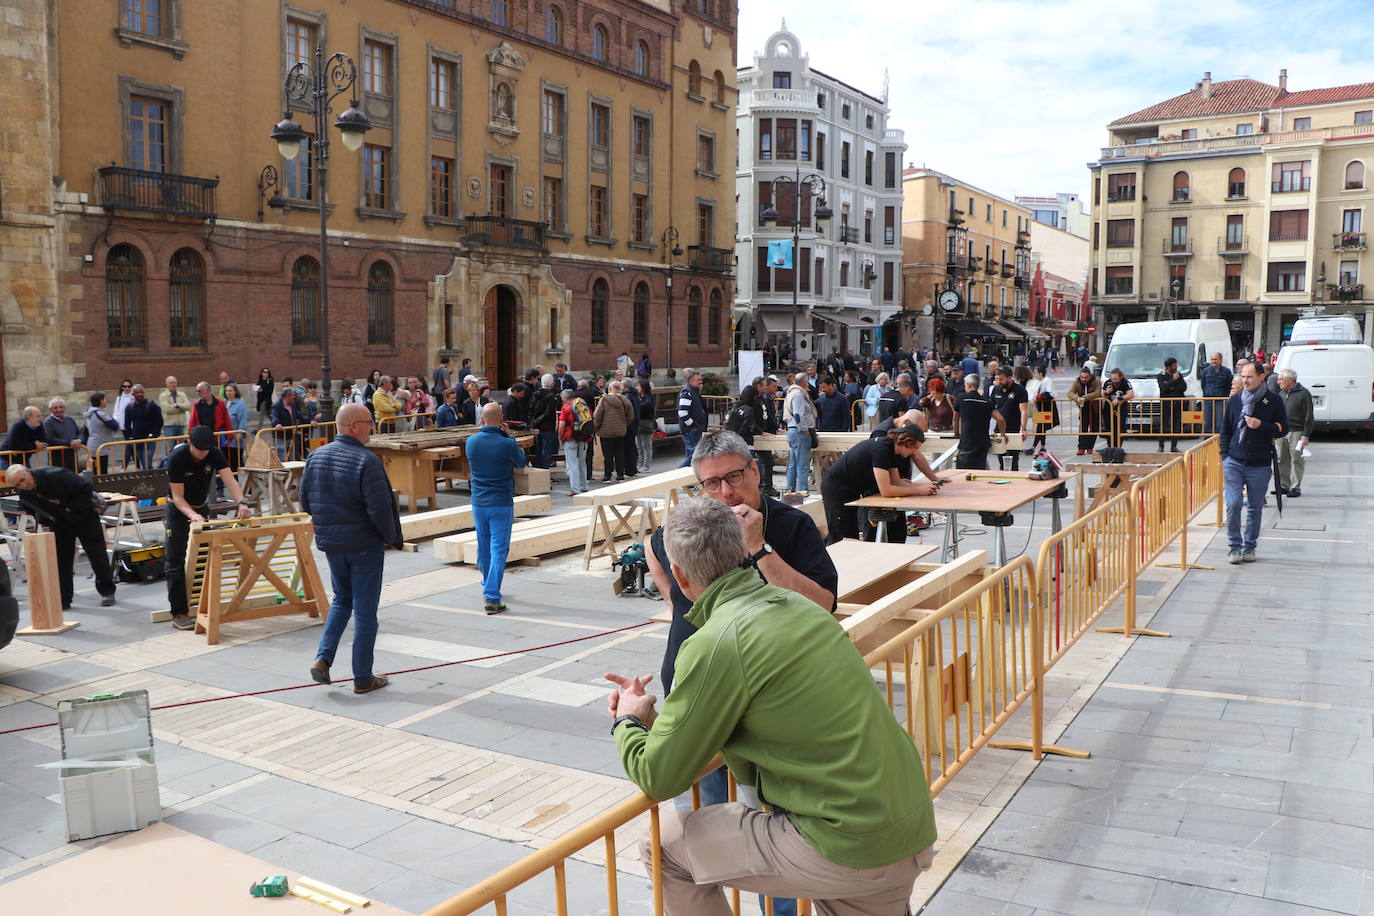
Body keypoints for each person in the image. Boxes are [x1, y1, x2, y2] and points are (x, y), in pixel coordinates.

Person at [610, 496, 935, 916]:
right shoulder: (799, 606)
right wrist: (659, 723)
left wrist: (628, 721)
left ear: (678, 575)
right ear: (742, 550)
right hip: (905, 826)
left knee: (663, 846)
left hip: (845, 842)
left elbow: (658, 777)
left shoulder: (716, 642)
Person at [644, 430, 838, 916]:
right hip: (699, 695)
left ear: (755, 470)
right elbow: (654, 547)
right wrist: (678, 602)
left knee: (770, 832)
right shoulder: (690, 525)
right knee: (700, 827)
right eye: (711, 483)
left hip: (767, 711)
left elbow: (822, 605)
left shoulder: (790, 525)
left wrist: (759, 548)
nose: (725, 493)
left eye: (733, 477)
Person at [299, 403, 400, 693]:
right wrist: (391, 537)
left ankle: (323, 658)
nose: (373, 428)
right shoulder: (366, 461)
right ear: (353, 426)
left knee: (342, 600)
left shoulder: (316, 457)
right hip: (363, 545)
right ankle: (363, 677)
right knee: (365, 612)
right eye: (369, 422)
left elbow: (305, 501)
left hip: (333, 544)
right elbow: (380, 508)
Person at [164, 426, 254, 630]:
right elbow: (177, 497)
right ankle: (179, 612)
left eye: (206, 450)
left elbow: (230, 480)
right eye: (199, 450)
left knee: (204, 557)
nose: (203, 454)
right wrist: (192, 515)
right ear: (189, 442)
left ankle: (201, 604)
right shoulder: (177, 457)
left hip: (201, 507)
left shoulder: (214, 453)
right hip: (178, 510)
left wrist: (242, 502)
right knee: (175, 560)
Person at [5, 464, 118, 609]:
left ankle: (107, 591)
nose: (23, 485)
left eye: (22, 480)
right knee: (62, 561)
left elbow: (85, 487)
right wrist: (48, 520)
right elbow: (33, 509)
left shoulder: (55, 474)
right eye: (17, 485)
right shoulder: (25, 493)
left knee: (97, 554)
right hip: (59, 522)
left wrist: (70, 508)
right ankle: (64, 599)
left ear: (27, 472)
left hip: (84, 516)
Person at [822, 425, 940, 544]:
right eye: (915, 448)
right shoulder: (881, 451)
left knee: (851, 533)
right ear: (906, 442)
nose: (914, 452)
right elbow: (886, 491)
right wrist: (918, 490)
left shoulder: (891, 449)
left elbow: (896, 481)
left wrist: (920, 487)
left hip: (851, 488)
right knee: (843, 535)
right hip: (837, 488)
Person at [1219, 362, 1287, 564]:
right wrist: (1224, 456)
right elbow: (1225, 430)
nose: (1245, 380)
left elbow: (1283, 429)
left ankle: (1249, 546)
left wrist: (1261, 425)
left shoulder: (1273, 400)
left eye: (1249, 376)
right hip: (1234, 461)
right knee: (1233, 504)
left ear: (1261, 377)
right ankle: (1234, 546)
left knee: (1255, 507)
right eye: (1243, 376)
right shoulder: (1235, 400)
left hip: (1260, 463)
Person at [466, 403, 529, 613]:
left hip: (479, 502)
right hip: (501, 503)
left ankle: (488, 582)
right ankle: (492, 596)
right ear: (501, 419)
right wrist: (509, 436)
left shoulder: (471, 442)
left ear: (481, 419)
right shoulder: (507, 444)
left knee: (483, 546)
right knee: (499, 549)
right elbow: (521, 462)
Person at [1274, 368, 1313, 498]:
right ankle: (1284, 485)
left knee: (1297, 459)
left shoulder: (1303, 394)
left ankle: (1295, 487)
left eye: (1281, 379)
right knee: (1281, 459)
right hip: (1282, 431)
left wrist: (1305, 435)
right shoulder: (1281, 393)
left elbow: (1309, 416)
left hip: (1297, 431)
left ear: (1290, 380)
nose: (1278, 382)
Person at [952, 375, 1005, 470]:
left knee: (963, 471)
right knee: (980, 470)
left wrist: (956, 433)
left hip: (966, 441)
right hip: (982, 442)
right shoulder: (986, 401)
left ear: (968, 385)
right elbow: (1000, 419)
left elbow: (955, 419)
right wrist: (1003, 435)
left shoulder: (961, 398)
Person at [783, 371, 817, 497]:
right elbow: (798, 415)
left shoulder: (790, 393)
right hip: (799, 431)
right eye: (807, 382)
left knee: (793, 463)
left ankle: (790, 489)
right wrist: (804, 429)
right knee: (802, 464)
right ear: (803, 382)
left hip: (792, 430)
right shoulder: (798, 394)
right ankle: (803, 490)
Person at [594, 379, 635, 482]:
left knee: (607, 455)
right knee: (619, 454)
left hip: (605, 432)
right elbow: (631, 415)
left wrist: (596, 427)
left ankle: (607, 476)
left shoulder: (603, 400)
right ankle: (620, 475)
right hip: (620, 431)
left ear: (610, 388)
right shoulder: (625, 400)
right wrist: (624, 424)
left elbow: (597, 415)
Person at [991, 367, 1029, 471]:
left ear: (1009, 378)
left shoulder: (1020, 390)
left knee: (1013, 461)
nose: (999, 382)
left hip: (1014, 429)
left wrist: (1023, 428)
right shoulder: (996, 389)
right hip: (1000, 429)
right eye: (997, 379)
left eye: (1001, 379)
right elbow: (990, 408)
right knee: (1001, 461)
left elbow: (1024, 411)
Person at [557, 389, 589, 496]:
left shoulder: (566, 408)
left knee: (572, 464)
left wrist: (560, 438)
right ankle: (584, 486)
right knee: (582, 463)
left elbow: (561, 425)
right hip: (583, 438)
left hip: (570, 438)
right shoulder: (582, 405)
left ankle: (575, 489)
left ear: (565, 398)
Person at [123, 384, 163, 469]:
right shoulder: (129, 407)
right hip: (137, 440)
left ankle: (152, 475)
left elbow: (159, 421)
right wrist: (130, 436)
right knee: (144, 464)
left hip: (149, 440)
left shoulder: (151, 405)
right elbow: (127, 424)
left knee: (146, 462)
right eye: (137, 392)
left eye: (141, 392)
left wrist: (153, 434)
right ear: (133, 394)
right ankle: (150, 475)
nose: (140, 394)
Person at [83, 392, 121, 475]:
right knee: (102, 472)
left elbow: (85, 430)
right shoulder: (101, 414)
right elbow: (115, 425)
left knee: (96, 471)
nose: (106, 401)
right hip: (100, 447)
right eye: (104, 399)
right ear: (101, 401)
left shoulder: (88, 413)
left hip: (92, 445)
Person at [1068, 367, 1103, 454]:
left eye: (1086, 377)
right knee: (1083, 427)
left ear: (1090, 376)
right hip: (1083, 407)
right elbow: (1070, 393)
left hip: (1095, 407)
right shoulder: (1077, 382)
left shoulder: (1096, 381)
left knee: (1094, 428)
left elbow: (1097, 393)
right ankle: (1081, 448)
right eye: (1082, 377)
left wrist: (1083, 398)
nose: (1083, 379)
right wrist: (1076, 398)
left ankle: (1090, 447)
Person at [676, 370, 707, 467]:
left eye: (701, 379)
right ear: (691, 381)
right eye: (698, 380)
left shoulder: (693, 391)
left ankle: (685, 473)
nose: (700, 382)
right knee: (694, 456)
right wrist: (692, 425)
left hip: (694, 428)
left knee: (691, 454)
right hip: (692, 429)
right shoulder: (687, 393)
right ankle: (679, 471)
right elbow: (682, 412)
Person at [528, 374, 560, 470]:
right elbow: (548, 412)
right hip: (547, 426)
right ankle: (544, 471)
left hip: (537, 426)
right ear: (551, 384)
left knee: (538, 449)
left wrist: (533, 422)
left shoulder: (535, 394)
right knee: (546, 450)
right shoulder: (550, 396)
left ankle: (539, 470)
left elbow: (531, 410)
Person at [1156, 357, 1186, 452]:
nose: (1176, 367)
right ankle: (1161, 446)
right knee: (1164, 425)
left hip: (1177, 403)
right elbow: (1163, 388)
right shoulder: (1161, 376)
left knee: (1175, 425)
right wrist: (1173, 380)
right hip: (1166, 404)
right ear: (1168, 367)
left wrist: (1171, 387)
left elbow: (1183, 387)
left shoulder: (1178, 374)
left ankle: (1174, 446)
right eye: (1174, 366)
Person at [1199, 352, 1232, 435]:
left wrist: (1224, 396)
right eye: (1212, 359)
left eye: (1215, 359)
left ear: (1220, 360)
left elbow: (1229, 385)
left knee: (1219, 422)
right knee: (1207, 422)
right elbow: (1203, 384)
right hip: (1208, 400)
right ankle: (1207, 440)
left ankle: (1219, 440)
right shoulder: (1205, 371)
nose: (1213, 361)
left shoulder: (1226, 372)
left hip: (1220, 400)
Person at [1024, 365, 1054, 454]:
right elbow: (1032, 392)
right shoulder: (1037, 382)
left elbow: (1050, 393)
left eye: (1036, 373)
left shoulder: (1047, 381)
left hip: (1046, 407)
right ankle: (1042, 446)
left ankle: (1034, 447)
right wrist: (1032, 398)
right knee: (1041, 427)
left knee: (1040, 427)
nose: (1034, 374)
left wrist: (1039, 397)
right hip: (1039, 407)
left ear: (1041, 373)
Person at [1102, 368, 1134, 449]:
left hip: (1121, 409)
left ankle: (1118, 448)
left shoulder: (1125, 383)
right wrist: (1106, 392)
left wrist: (1119, 399)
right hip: (1108, 409)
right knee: (1109, 429)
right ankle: (1110, 448)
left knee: (1119, 429)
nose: (1114, 381)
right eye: (1112, 379)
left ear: (1120, 377)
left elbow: (1131, 394)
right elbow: (1102, 395)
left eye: (1116, 379)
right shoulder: (1108, 383)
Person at [223, 383, 249, 474]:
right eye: (227, 391)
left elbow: (243, 419)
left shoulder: (240, 405)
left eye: (230, 390)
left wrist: (240, 432)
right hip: (224, 437)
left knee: (236, 461)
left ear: (235, 392)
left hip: (235, 438)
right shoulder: (223, 403)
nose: (228, 392)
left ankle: (242, 479)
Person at [635, 379, 656, 473]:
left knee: (646, 445)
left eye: (638, 386)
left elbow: (647, 406)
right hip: (638, 423)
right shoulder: (639, 397)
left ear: (643, 387)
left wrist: (637, 405)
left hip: (646, 423)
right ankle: (640, 463)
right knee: (639, 445)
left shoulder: (649, 397)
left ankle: (646, 465)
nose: (636, 388)